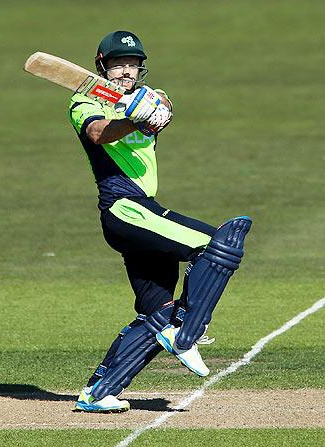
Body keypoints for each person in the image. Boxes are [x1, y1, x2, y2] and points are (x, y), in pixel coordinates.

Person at [67, 31, 252, 413]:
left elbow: (163, 105)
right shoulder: (82, 101)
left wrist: (155, 108)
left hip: (141, 210)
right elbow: (99, 134)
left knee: (156, 311)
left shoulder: (146, 95)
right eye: (118, 64)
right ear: (102, 65)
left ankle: (99, 392)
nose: (126, 71)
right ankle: (187, 331)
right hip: (124, 208)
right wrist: (135, 120)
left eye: (133, 65)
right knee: (216, 244)